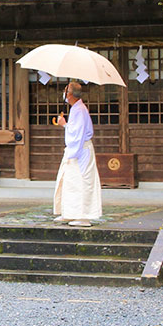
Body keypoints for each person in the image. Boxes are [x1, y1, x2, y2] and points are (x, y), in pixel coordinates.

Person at [53, 81, 102, 227]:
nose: (64, 93)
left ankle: (83, 216)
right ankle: (68, 212)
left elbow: (77, 134)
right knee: (69, 181)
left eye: (65, 91)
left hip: (80, 151)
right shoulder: (76, 109)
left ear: (69, 94)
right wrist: (66, 125)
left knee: (81, 182)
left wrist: (64, 125)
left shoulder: (80, 110)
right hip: (76, 149)